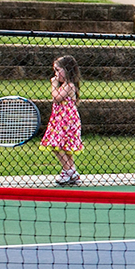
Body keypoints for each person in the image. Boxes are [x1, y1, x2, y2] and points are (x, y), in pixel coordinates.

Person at [42, 54, 83, 186]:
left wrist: (53, 85)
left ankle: (67, 171)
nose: (56, 74)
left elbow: (56, 97)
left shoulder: (69, 85)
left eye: (58, 70)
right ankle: (71, 171)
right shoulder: (65, 85)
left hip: (66, 121)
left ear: (67, 70)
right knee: (62, 146)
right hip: (59, 120)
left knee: (55, 145)